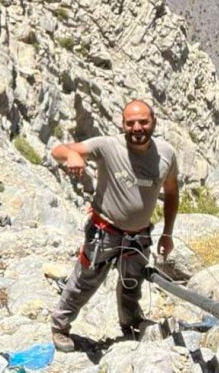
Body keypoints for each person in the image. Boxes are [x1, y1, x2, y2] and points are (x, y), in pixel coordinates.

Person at [49, 100, 179, 352]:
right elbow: (58, 150)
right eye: (130, 123)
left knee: (132, 283)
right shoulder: (107, 146)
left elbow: (172, 192)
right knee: (85, 280)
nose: (137, 128)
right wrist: (73, 154)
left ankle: (130, 324)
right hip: (104, 232)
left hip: (139, 235)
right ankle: (60, 326)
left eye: (143, 122)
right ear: (123, 125)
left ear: (154, 122)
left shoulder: (166, 154)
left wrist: (168, 233)